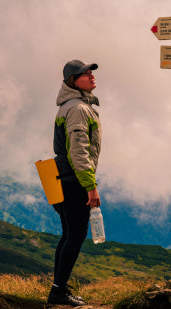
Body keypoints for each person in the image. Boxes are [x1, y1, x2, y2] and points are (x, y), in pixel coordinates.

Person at [47, 59, 102, 307]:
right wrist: (90, 185)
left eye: (91, 73)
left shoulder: (72, 106)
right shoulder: (78, 108)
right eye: (85, 74)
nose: (91, 76)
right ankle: (58, 292)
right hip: (74, 180)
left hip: (63, 178)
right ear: (73, 81)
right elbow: (79, 150)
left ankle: (58, 289)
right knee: (76, 236)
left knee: (68, 234)